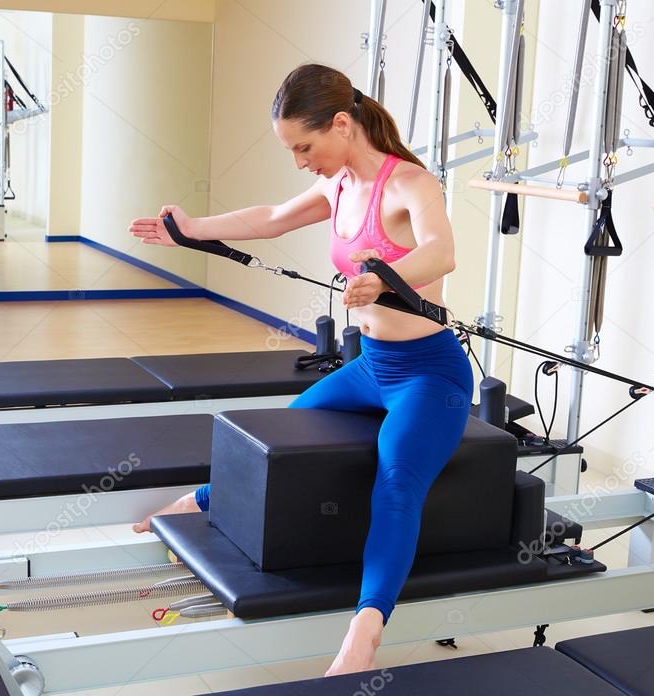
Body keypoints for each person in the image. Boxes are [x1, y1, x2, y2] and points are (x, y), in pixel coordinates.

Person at [128, 63, 473, 676]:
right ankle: (204, 500)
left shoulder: (410, 185)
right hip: (371, 367)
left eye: (304, 147)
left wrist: (385, 277)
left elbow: (440, 250)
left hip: (430, 374)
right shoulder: (338, 186)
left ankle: (365, 633)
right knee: (277, 442)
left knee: (396, 485)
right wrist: (192, 231)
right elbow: (272, 217)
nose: (301, 162)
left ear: (341, 124)